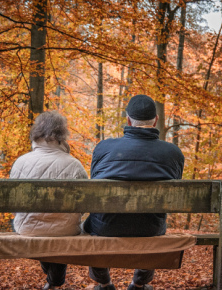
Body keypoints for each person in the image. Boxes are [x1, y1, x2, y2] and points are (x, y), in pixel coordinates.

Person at [84, 94, 185, 290]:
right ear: (155, 121)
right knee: (154, 219)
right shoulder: (173, 153)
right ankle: (138, 285)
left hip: (106, 227)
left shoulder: (104, 148)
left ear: (128, 120)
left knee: (93, 222)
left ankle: (104, 283)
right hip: (150, 228)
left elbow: (94, 185)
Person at [10, 111, 88, 290]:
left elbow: (14, 205)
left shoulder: (20, 162)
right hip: (66, 229)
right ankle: (55, 282)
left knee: (43, 231)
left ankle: (53, 282)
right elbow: (84, 205)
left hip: (27, 228)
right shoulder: (74, 164)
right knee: (60, 229)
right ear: (62, 135)